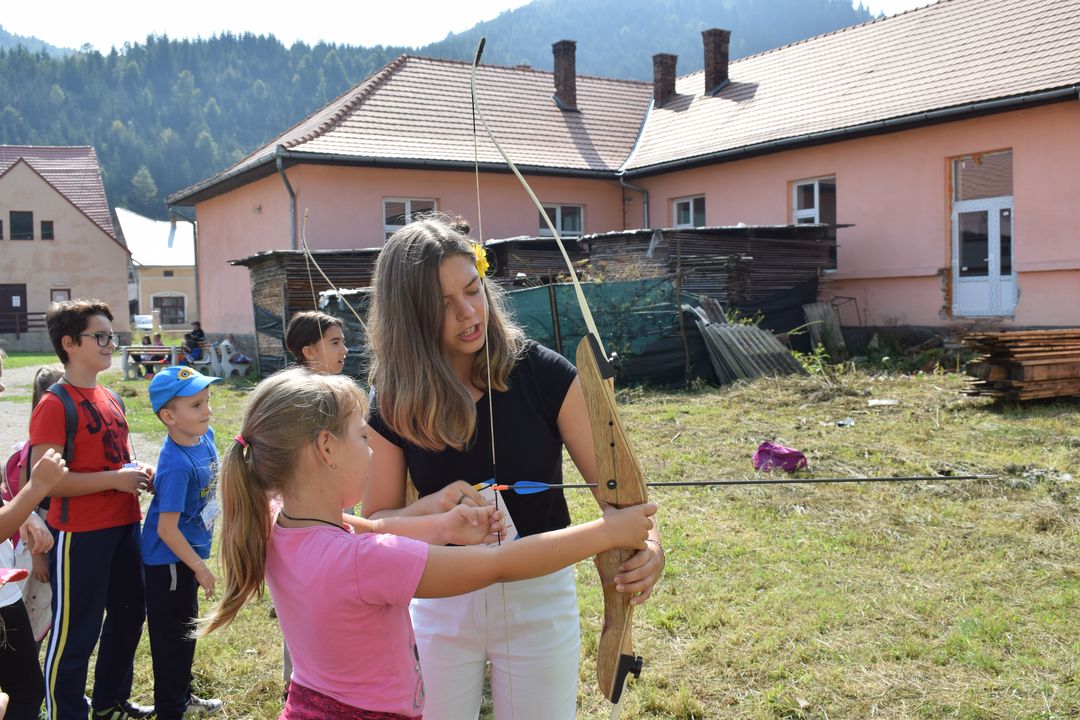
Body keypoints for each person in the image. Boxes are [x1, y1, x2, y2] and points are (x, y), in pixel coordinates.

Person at [200, 368, 655, 719]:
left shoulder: (278, 523)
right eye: (362, 436)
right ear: (325, 448)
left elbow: (371, 528)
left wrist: (441, 526)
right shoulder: (363, 563)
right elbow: (499, 565)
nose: (373, 450)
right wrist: (607, 533)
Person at [362, 218, 665, 720]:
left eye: (473, 289)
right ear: (408, 318)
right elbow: (379, 522)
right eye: (442, 306)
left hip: (538, 596)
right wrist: (437, 512)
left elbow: (620, 493)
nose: (467, 313)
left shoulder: (543, 373)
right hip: (440, 596)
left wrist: (648, 546)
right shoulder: (393, 398)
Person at [28, 299, 156, 720]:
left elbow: (115, 459)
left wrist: (138, 471)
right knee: (75, 632)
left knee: (128, 617)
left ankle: (110, 703)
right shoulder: (54, 403)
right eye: (98, 336)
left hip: (125, 527)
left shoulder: (111, 396)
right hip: (80, 535)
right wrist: (114, 480)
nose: (109, 343)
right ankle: (65, 712)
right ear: (69, 343)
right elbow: (45, 484)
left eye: (110, 335)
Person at [142, 367, 225, 719]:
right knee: (171, 642)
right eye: (196, 405)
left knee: (185, 634)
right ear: (169, 417)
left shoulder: (203, 437)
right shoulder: (176, 464)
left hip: (186, 558)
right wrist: (202, 569)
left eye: (206, 401)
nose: (206, 410)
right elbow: (167, 530)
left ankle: (182, 695)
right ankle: (170, 709)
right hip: (170, 565)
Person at [0, 348, 70, 720]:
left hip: (9, 585)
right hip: (13, 586)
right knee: (23, 689)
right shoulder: (24, 456)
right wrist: (35, 491)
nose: (2, 385)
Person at [3, 364, 65, 650]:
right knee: (32, 613)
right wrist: (38, 557)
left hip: (52, 546)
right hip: (33, 556)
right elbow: (26, 507)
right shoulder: (31, 453)